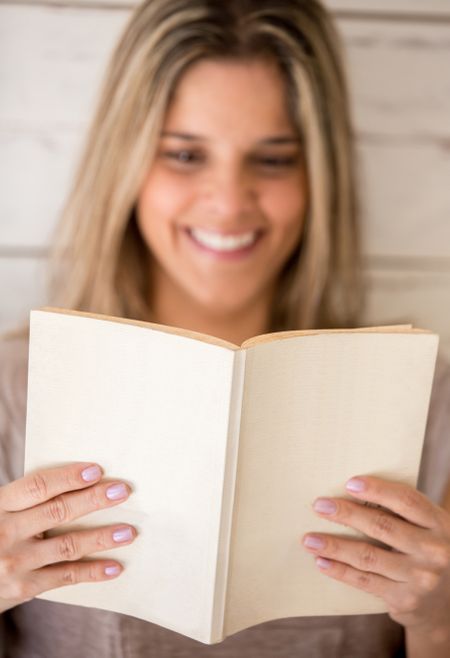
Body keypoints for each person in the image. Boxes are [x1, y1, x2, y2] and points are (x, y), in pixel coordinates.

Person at [1, 0, 449, 656]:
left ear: (318, 174)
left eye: (272, 160)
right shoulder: (14, 393)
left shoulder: (428, 406)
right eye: (185, 154)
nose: (228, 201)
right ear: (125, 164)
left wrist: (439, 624)